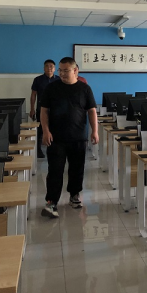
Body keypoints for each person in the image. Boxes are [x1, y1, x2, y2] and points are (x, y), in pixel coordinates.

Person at [40, 57, 98, 218]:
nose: (62, 74)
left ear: (75, 70)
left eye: (66, 70)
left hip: (78, 136)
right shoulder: (52, 88)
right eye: (60, 70)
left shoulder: (85, 89)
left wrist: (95, 131)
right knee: (55, 170)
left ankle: (74, 195)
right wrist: (45, 131)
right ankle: (51, 202)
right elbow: (44, 111)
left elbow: (92, 111)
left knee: (77, 169)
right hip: (56, 137)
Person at [30, 59, 60, 158]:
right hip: (41, 109)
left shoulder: (59, 80)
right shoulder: (38, 80)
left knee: (55, 129)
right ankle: (38, 150)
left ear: (55, 69)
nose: (49, 68)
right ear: (44, 68)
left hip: (55, 110)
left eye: (51, 66)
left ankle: (53, 149)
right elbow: (33, 95)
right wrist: (32, 109)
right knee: (40, 130)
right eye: (47, 66)